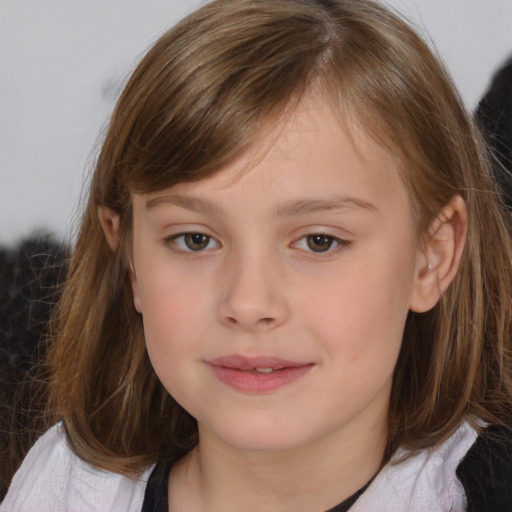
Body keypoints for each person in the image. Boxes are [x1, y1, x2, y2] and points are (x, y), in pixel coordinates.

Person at [2, 0, 512, 510]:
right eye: (194, 239)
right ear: (130, 259)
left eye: (319, 241)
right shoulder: (64, 488)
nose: (248, 303)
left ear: (431, 258)